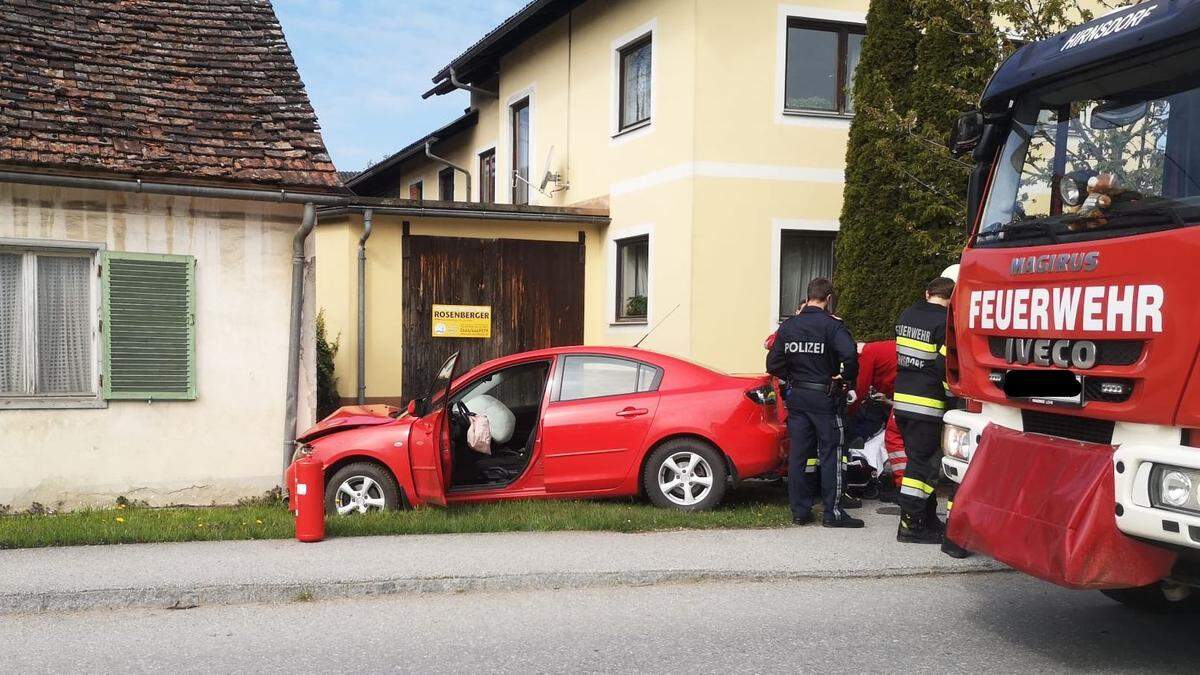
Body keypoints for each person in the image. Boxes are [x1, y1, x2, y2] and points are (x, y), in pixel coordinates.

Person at [767, 277, 864, 528]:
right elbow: (850, 355)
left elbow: (773, 364)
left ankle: (800, 512)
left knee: (799, 455)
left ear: (807, 296)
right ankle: (833, 513)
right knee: (831, 454)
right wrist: (846, 376)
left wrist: (792, 377)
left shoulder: (789, 327)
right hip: (826, 398)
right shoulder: (832, 327)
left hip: (797, 398)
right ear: (829, 299)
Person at [893, 276, 956, 544]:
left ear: (927, 292)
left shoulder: (907, 314)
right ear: (951, 298)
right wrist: (952, 397)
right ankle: (910, 524)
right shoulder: (945, 323)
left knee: (916, 459)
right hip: (928, 404)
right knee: (923, 466)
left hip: (902, 401)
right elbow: (943, 366)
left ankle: (928, 519)